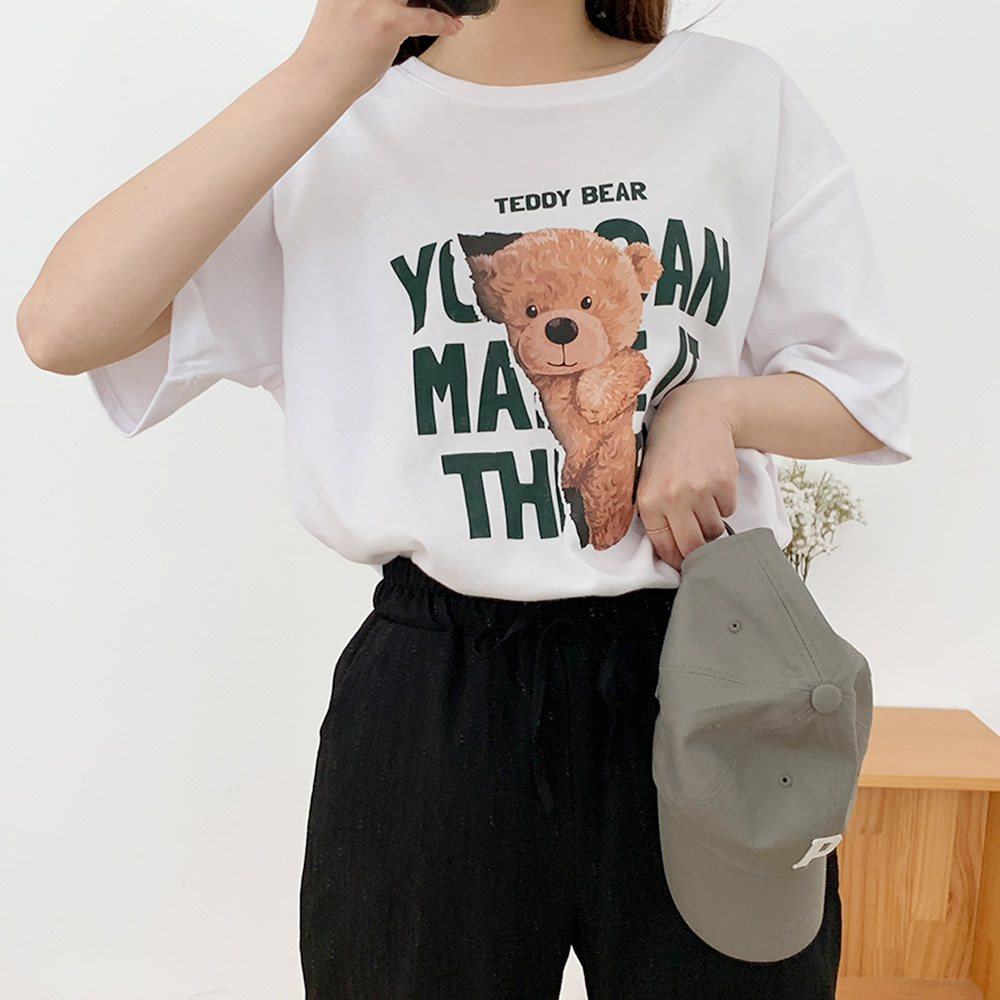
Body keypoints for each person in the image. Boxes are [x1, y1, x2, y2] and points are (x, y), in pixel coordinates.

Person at [16, 0, 913, 996]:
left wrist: (718, 405)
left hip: (704, 659)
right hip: (437, 689)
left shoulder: (734, 99)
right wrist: (324, 68)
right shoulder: (329, 132)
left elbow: (865, 396)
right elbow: (63, 327)